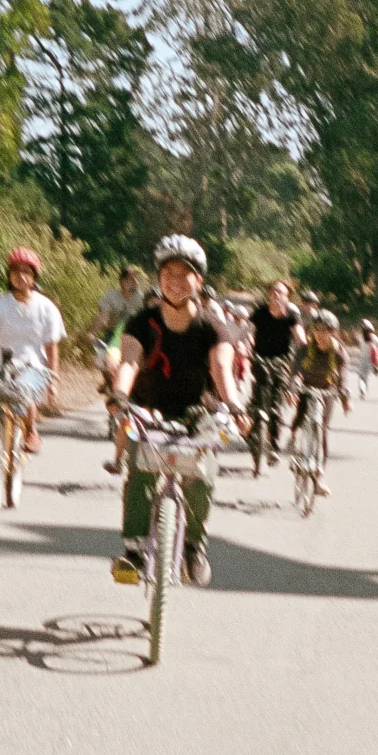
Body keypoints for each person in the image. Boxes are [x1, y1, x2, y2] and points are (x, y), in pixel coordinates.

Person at [110, 236, 248, 589]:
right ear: (158, 278)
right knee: (140, 471)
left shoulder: (213, 327)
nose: (174, 280)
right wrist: (120, 396)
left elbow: (221, 372)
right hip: (149, 409)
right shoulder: (142, 322)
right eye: (167, 272)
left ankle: (194, 546)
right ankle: (135, 551)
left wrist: (234, 406)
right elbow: (129, 362)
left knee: (203, 478)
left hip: (197, 414)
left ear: (198, 281)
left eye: (184, 273)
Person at [0, 247, 65, 455]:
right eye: (16, 271)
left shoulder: (46, 308)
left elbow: (51, 347)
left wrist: (53, 381)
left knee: (24, 393)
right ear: (9, 275)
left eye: (27, 272)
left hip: (32, 368)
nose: (21, 277)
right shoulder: (0, 304)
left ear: (34, 277)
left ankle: (31, 430)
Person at [247, 278, 306, 466]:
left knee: (276, 405)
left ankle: (273, 445)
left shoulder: (291, 316)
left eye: (281, 293)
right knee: (258, 394)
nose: (277, 296)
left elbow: (301, 339)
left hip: (282, 362)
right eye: (273, 292)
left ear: (287, 297)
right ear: (269, 295)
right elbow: (249, 331)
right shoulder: (260, 312)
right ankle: (253, 426)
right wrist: (245, 345)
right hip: (260, 359)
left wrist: (305, 352)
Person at [290, 310, 350, 492]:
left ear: (334, 332)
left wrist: (345, 399)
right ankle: (295, 444)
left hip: (327, 390)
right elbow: (296, 372)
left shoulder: (340, 354)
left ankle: (319, 477)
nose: (321, 334)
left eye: (326, 330)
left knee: (322, 430)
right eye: (318, 329)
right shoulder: (304, 349)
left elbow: (343, 378)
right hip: (306, 387)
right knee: (300, 417)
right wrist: (292, 389)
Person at [90, 265, 141, 475]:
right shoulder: (111, 296)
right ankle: (109, 384)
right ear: (121, 281)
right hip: (113, 336)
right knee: (104, 360)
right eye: (129, 279)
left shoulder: (140, 299)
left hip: (135, 338)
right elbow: (103, 316)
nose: (133, 283)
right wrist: (93, 332)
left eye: (135, 279)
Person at [355, 319, 378, 399]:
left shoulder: (360, 336)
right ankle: (364, 392)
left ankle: (362, 390)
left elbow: (357, 339)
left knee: (361, 377)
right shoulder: (374, 337)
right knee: (366, 377)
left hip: (362, 359)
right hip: (369, 360)